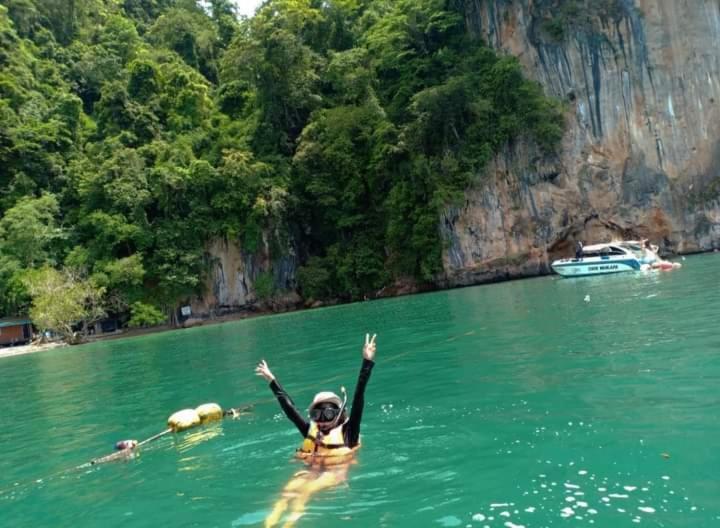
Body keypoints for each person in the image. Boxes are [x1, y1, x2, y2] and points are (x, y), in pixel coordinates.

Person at [255, 333, 377, 528]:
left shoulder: (349, 433)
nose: (321, 421)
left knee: (304, 492)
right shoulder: (313, 433)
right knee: (286, 494)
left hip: (335, 473)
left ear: (337, 413)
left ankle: (289, 524)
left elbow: (359, 396)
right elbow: (290, 410)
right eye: (316, 415)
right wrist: (272, 380)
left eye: (327, 414)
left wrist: (367, 361)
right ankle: (268, 525)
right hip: (310, 469)